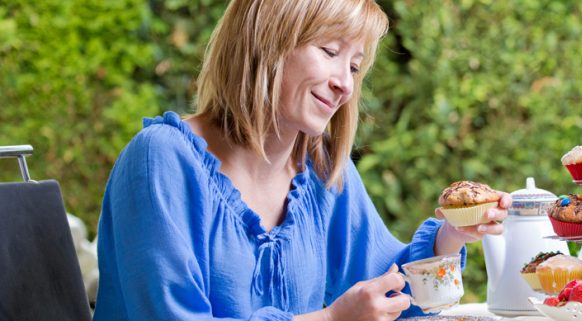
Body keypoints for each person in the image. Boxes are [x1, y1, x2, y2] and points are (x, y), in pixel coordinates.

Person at [93, 1, 510, 320]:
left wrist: (453, 236)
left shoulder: (322, 172)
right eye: (330, 51)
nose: (344, 84)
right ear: (266, 42)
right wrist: (330, 318)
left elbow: (390, 293)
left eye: (354, 65)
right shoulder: (161, 161)